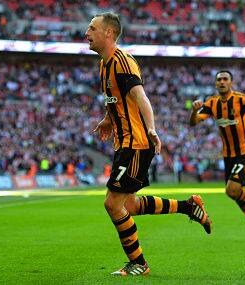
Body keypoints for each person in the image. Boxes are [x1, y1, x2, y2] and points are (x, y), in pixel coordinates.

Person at [86, 12, 212, 276]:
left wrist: (152, 129)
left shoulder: (123, 62)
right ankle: (189, 206)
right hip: (124, 144)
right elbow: (117, 100)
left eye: (92, 28)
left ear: (108, 33)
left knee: (112, 204)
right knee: (129, 206)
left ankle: (139, 263)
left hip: (136, 143)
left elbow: (141, 97)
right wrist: (108, 120)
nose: (87, 33)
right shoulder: (103, 64)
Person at [189, 70, 245, 242]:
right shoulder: (212, 103)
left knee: (232, 190)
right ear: (216, 84)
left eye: (225, 79)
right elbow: (194, 122)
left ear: (231, 83)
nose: (222, 82)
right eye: (219, 79)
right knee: (234, 194)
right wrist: (194, 111)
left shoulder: (241, 99)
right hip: (228, 155)